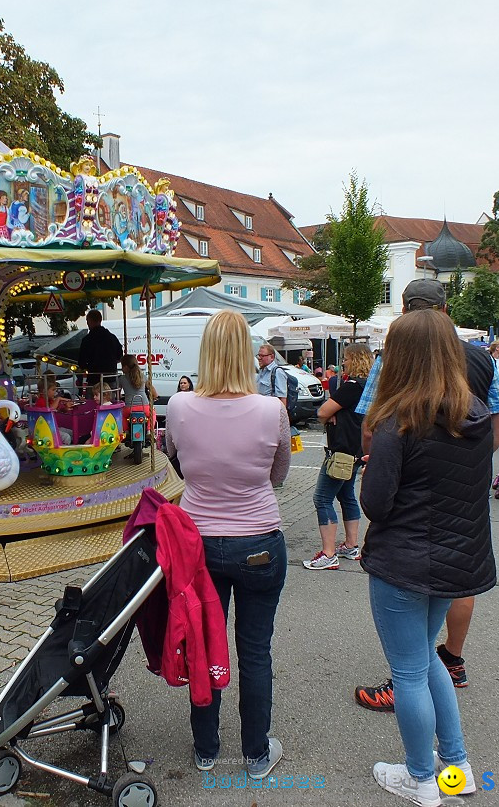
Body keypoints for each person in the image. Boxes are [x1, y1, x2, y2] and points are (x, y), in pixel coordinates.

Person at [353, 279, 499, 713]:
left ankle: (411, 710)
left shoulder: (396, 357)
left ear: (406, 309)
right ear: (446, 308)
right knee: (457, 568)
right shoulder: (481, 359)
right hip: (464, 490)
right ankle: (453, 659)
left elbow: (370, 427)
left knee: (409, 653)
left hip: (409, 493)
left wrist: (383, 462)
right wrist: (468, 463)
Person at [361, 309, 494, 806]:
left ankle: (419, 779)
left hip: (404, 562)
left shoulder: (399, 422)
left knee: (410, 670)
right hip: (455, 560)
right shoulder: (476, 415)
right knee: (428, 659)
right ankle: (456, 768)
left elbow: (375, 503)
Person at [164, 310, 289, 781]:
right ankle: (256, 753)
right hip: (258, 540)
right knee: (255, 649)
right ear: (246, 355)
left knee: (204, 642)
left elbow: (176, 461)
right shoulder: (272, 410)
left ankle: (206, 748)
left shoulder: (178, 406)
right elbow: (277, 476)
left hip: (198, 545)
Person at [303, 344, 373, 570]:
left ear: (356, 360)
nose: (343, 363)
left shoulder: (351, 386)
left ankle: (329, 553)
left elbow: (322, 412)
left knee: (322, 498)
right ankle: (352, 545)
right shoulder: (370, 387)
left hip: (341, 451)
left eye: (346, 359)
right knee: (346, 495)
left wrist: (332, 415)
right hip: (357, 450)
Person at [78, 309, 123, 388]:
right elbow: (120, 356)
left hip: (94, 379)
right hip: (110, 378)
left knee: (93, 399)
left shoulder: (87, 340)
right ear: (100, 320)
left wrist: (89, 367)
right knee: (110, 399)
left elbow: (81, 362)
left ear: (90, 321)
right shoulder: (112, 338)